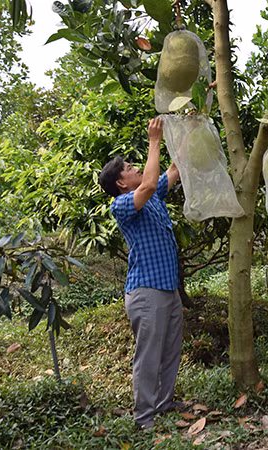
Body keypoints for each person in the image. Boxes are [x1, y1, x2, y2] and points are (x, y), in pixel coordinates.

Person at [98, 117, 183, 431]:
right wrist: (154, 141)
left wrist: (190, 124)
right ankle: (144, 417)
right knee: (148, 357)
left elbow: (173, 170)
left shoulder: (154, 197)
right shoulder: (121, 205)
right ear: (121, 183)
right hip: (146, 292)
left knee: (171, 350)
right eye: (129, 168)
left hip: (168, 289)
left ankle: (164, 404)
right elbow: (148, 184)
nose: (135, 168)